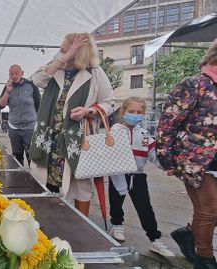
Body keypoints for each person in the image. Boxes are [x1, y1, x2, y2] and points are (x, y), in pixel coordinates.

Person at [30, 33, 114, 216]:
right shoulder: (56, 68)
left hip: (78, 139)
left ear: (80, 52)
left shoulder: (95, 73)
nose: (60, 53)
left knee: (80, 184)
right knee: (48, 179)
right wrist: (64, 58)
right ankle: (49, 220)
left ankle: (80, 225)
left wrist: (88, 112)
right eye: (61, 50)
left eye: (64, 49)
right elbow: (36, 80)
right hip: (50, 137)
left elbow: (109, 103)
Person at [156, 40, 217, 269]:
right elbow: (168, 123)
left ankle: (188, 234)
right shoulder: (194, 84)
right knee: (209, 210)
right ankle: (205, 259)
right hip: (196, 160)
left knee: (210, 212)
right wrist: (167, 159)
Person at [108, 97, 174, 257]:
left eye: (139, 112)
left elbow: (153, 155)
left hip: (137, 177)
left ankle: (155, 240)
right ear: (123, 112)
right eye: (131, 111)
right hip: (118, 175)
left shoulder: (145, 135)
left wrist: (167, 166)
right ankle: (117, 225)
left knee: (145, 209)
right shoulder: (114, 131)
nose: (135, 115)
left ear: (143, 114)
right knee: (116, 203)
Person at [0, 64, 40, 167]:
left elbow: (38, 103)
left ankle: (32, 179)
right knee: (17, 156)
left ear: (22, 73)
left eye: (16, 73)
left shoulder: (31, 85)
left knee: (32, 156)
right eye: (11, 74)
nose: (14, 75)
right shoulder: (7, 87)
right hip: (14, 127)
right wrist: (7, 91)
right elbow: (0, 105)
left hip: (30, 127)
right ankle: (18, 178)